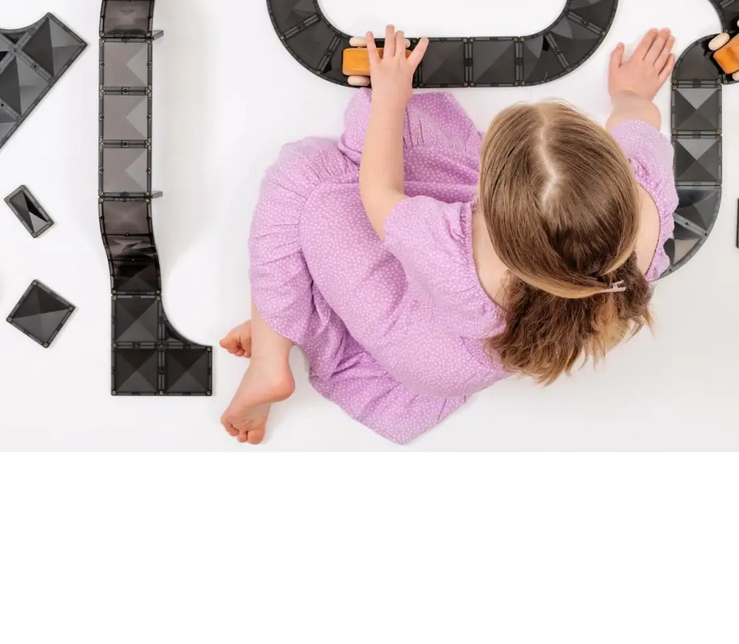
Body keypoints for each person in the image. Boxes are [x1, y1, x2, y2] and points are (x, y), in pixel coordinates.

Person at [220, 25, 678, 444]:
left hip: (418, 352)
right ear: (615, 170)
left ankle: (270, 359)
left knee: (306, 176)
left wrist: (391, 100)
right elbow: (639, 120)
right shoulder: (647, 199)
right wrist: (633, 96)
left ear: (494, 215)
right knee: (399, 147)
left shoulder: (455, 250)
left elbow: (380, 192)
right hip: (471, 359)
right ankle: (295, 306)